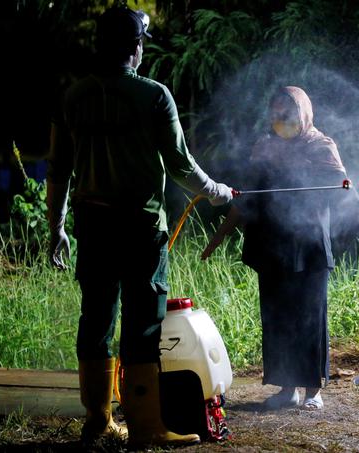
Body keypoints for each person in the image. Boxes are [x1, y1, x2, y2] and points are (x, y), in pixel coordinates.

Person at [46, 6, 233, 447]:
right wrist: (217, 192)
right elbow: (182, 166)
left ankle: (98, 420)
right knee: (143, 325)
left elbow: (57, 171)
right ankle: (147, 427)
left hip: (92, 225)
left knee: (95, 319)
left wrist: (56, 227)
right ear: (136, 46)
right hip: (140, 226)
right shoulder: (153, 95)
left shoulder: (72, 97)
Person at [201, 86, 359, 410]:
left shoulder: (320, 146)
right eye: (276, 114)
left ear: (303, 113)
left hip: (309, 244)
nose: (281, 119)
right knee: (277, 318)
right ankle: (286, 388)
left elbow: (344, 189)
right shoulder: (264, 147)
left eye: (287, 114)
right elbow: (246, 197)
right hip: (271, 245)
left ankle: (313, 390)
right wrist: (218, 238)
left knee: (310, 318)